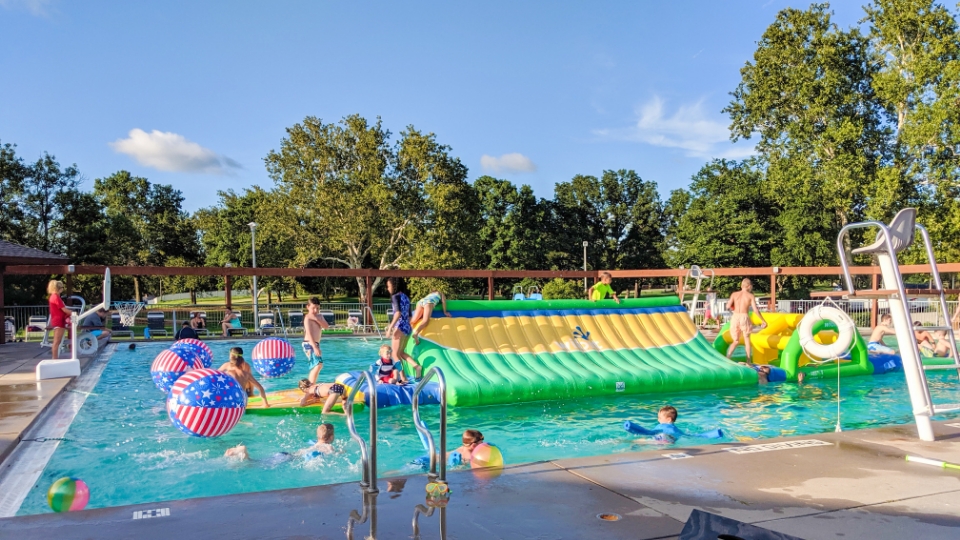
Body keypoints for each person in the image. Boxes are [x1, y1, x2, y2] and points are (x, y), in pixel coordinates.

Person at [725, 279, 768, 362]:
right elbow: (755, 310)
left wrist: (734, 312)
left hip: (735, 317)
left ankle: (727, 358)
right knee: (747, 339)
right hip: (744, 316)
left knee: (736, 341)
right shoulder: (750, 296)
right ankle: (748, 362)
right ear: (749, 286)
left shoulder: (734, 294)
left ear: (742, 285)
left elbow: (727, 306)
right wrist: (763, 320)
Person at [385, 277, 420, 378]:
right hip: (407, 327)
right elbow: (409, 316)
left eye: (389, 286)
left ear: (394, 286)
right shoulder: (405, 297)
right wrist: (408, 327)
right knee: (400, 352)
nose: (388, 289)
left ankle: (403, 378)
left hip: (399, 327)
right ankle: (416, 366)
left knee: (394, 355)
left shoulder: (395, 297)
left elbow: (398, 313)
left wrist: (390, 327)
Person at [302, 297, 330, 384]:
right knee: (318, 365)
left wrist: (317, 319)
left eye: (317, 308)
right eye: (313, 308)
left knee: (317, 365)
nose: (315, 310)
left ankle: (310, 385)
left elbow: (326, 326)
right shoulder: (307, 318)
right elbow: (309, 333)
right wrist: (314, 347)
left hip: (315, 344)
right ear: (308, 307)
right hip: (309, 343)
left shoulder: (320, 316)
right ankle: (310, 387)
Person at [47, 280, 72, 359]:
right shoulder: (56, 297)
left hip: (57, 319)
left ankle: (55, 358)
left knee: (57, 341)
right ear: (59, 288)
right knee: (57, 341)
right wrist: (73, 313)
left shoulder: (53, 297)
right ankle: (55, 358)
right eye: (62, 287)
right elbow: (63, 309)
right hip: (59, 320)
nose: (63, 289)